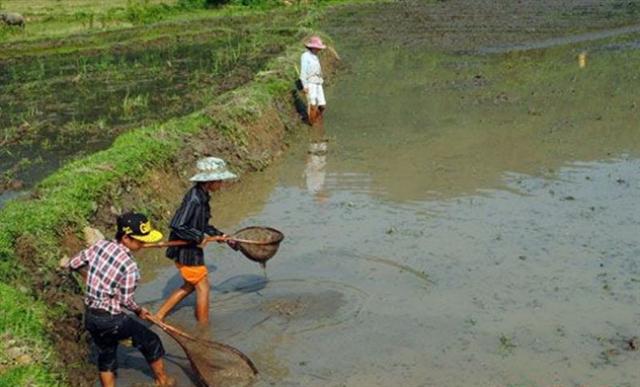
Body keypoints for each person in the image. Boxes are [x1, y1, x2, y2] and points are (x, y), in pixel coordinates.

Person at [60, 212, 174, 387]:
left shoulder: (100, 245)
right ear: (126, 238)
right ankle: (163, 381)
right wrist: (138, 310)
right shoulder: (130, 266)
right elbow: (126, 300)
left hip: (91, 317)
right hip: (112, 319)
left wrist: (92, 277)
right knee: (151, 341)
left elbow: (74, 263)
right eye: (140, 240)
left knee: (106, 355)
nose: (144, 244)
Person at [155, 157, 238, 324]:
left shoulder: (203, 195)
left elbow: (202, 223)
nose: (221, 184)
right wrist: (200, 237)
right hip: (186, 250)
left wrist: (219, 234)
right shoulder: (194, 199)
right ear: (209, 181)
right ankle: (204, 327)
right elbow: (178, 225)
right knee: (203, 286)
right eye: (219, 180)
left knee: (190, 286)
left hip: (191, 248)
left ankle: (159, 316)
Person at [300, 35, 327, 125]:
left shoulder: (316, 57)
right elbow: (303, 72)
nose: (318, 50)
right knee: (312, 103)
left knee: (322, 105)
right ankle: (311, 121)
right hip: (310, 82)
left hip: (318, 82)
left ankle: (315, 118)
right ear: (312, 47)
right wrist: (305, 86)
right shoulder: (305, 56)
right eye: (317, 48)